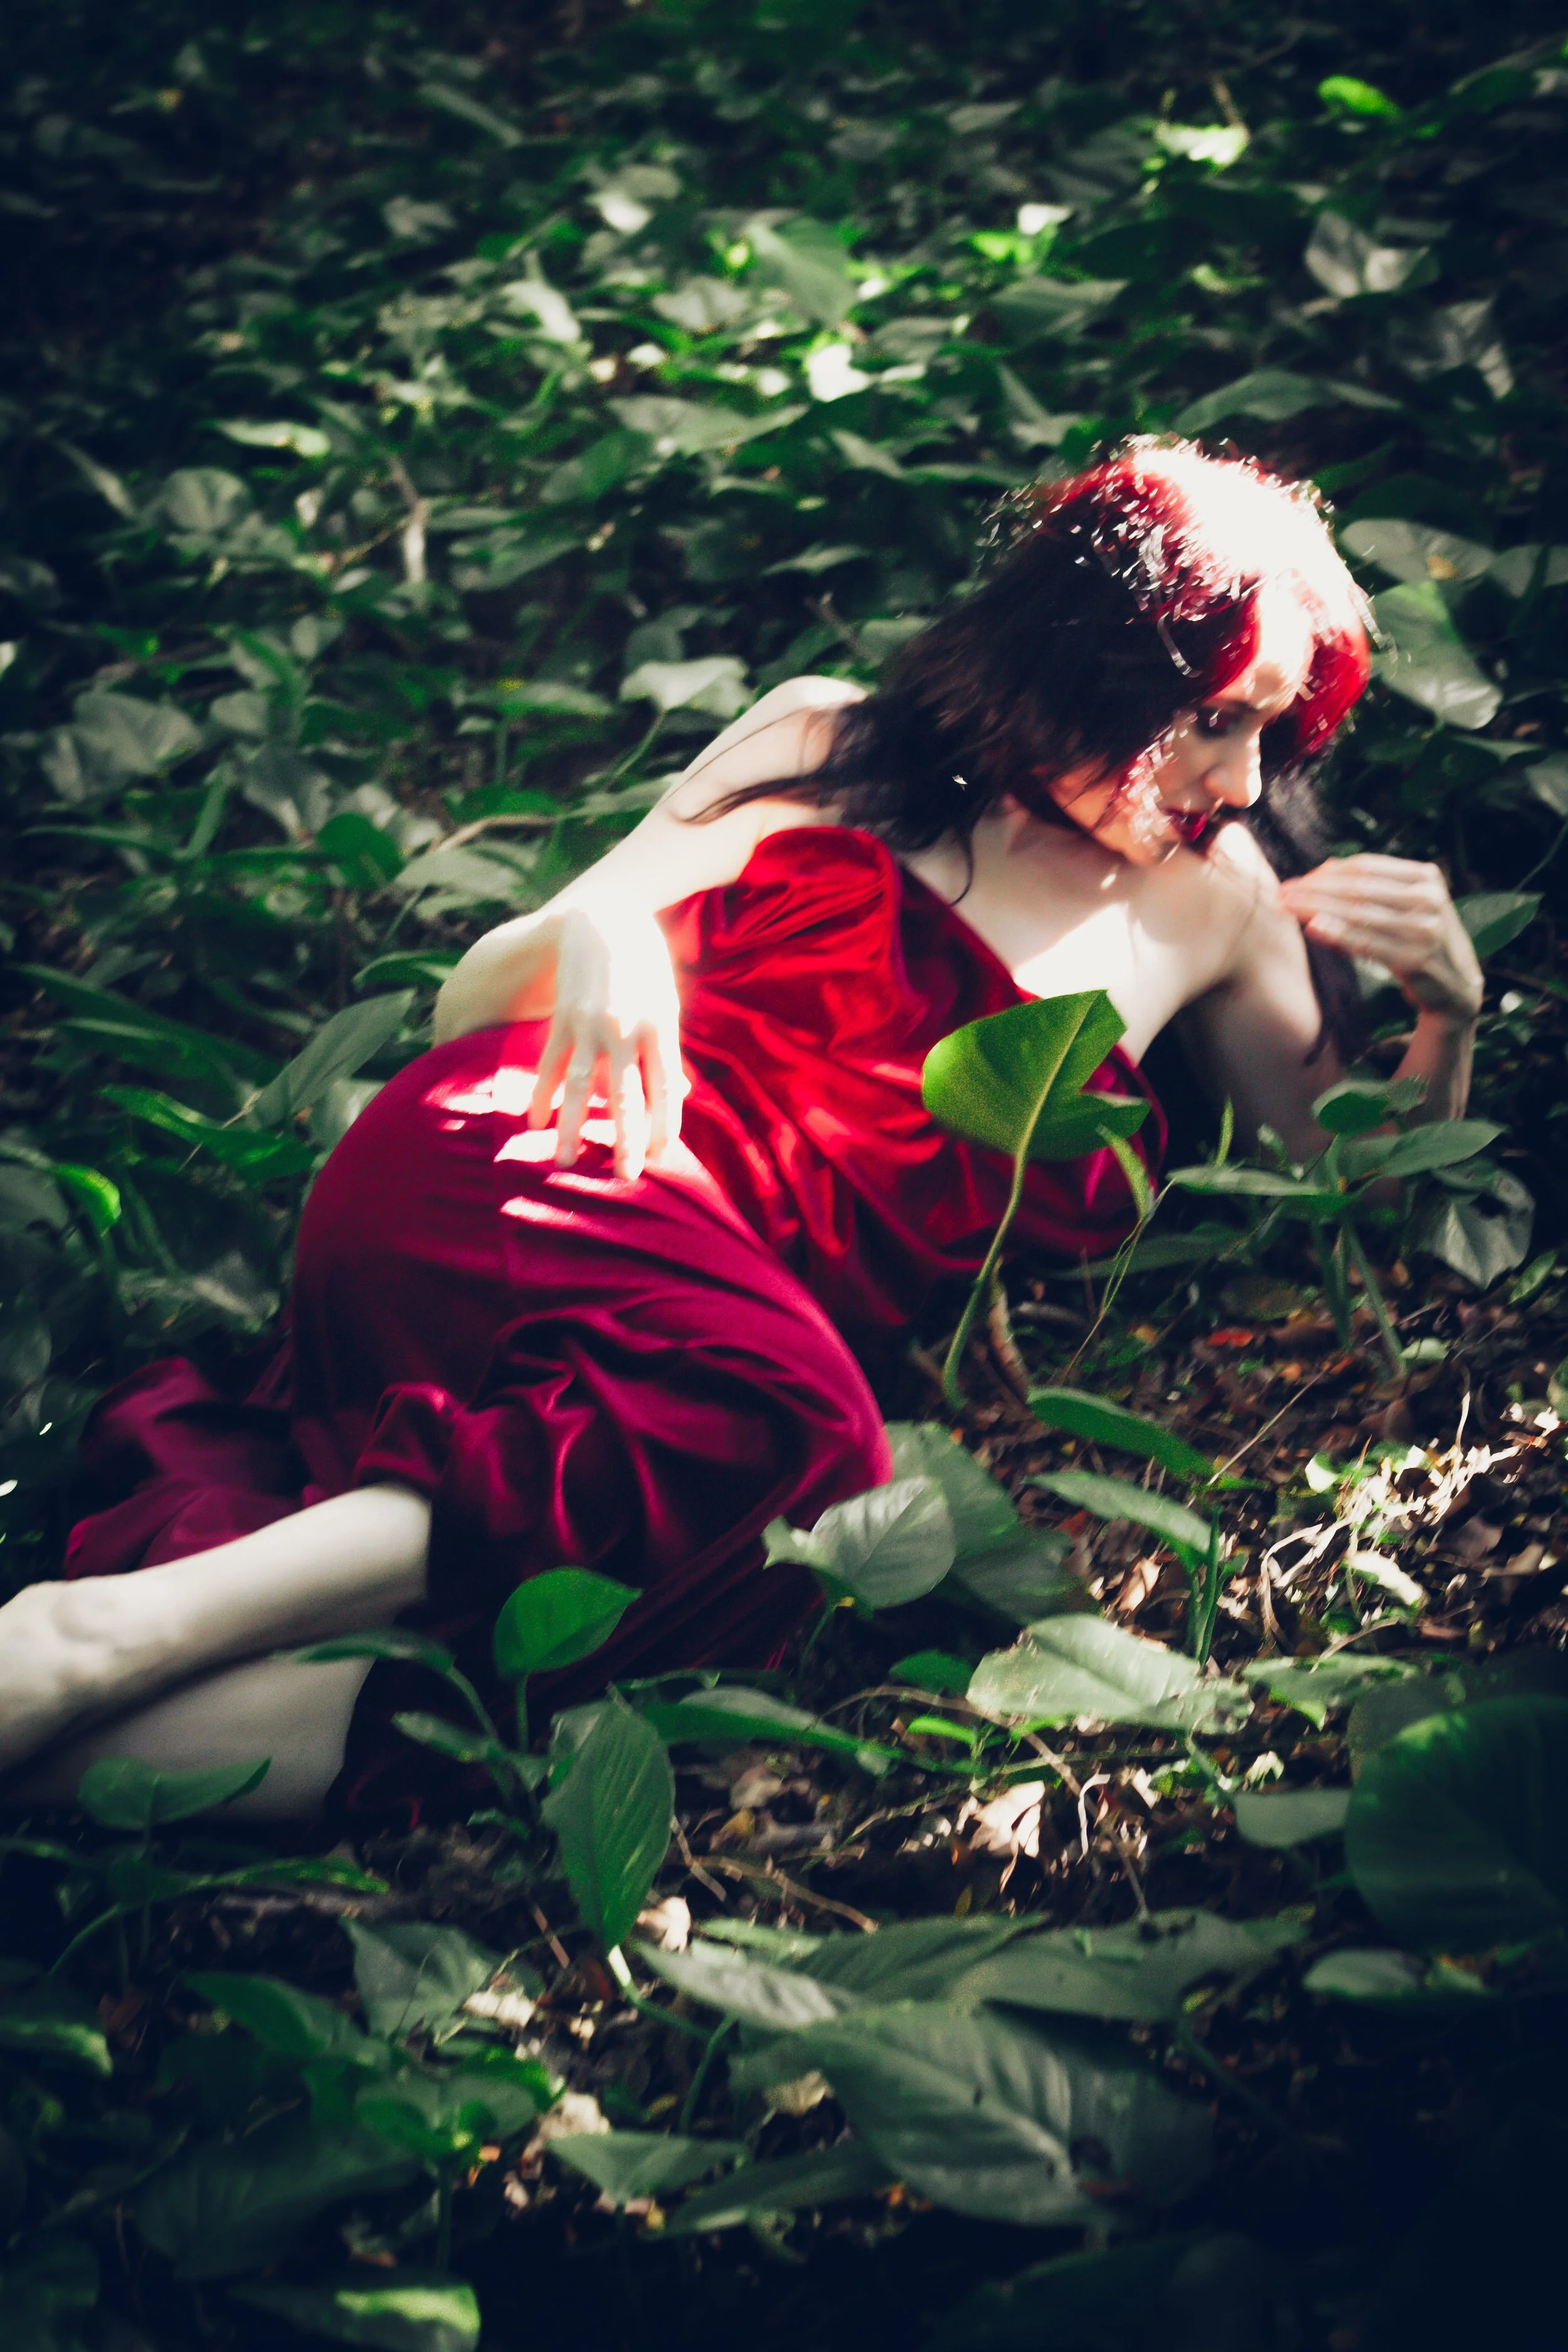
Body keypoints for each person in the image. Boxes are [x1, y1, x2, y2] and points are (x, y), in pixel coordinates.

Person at [0, 442, 1483, 1818]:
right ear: (1081, 660)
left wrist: (1446, 1019)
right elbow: (475, 1006)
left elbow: (1355, 1202)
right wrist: (585, 941)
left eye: (1268, 731)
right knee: (805, 1428)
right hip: (528, 1161)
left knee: (594, 1636)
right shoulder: (825, 739)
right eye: (1211, 718)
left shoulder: (1213, 901)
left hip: (668, 1359)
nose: (1237, 780)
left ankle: (77, 1691)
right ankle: (113, 1630)